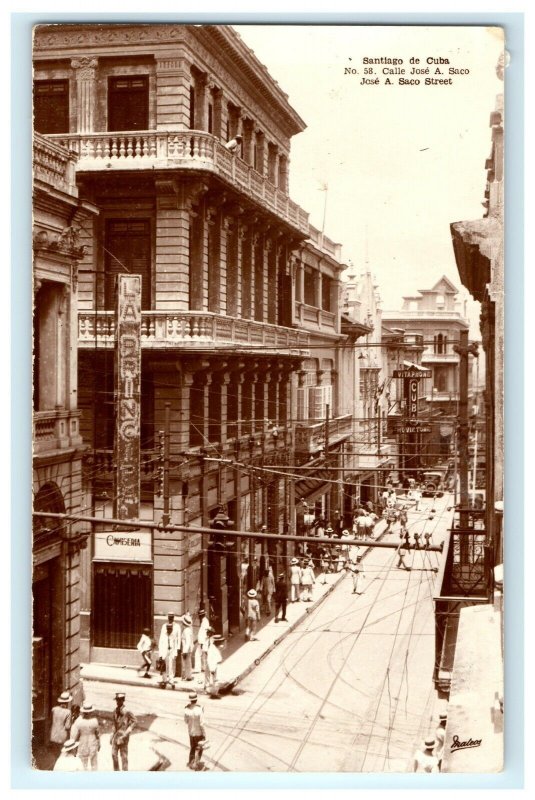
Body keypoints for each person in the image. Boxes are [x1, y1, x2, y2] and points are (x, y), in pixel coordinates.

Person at [70, 702, 100, 771]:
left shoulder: (79, 722)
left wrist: (73, 748)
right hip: (93, 742)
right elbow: (97, 734)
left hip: (83, 743)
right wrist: (99, 743)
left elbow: (74, 736)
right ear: (91, 712)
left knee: (83, 763)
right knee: (94, 763)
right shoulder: (95, 721)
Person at [111, 692, 136, 771]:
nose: (117, 702)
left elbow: (135, 721)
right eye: (117, 700)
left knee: (123, 756)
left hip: (124, 736)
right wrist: (112, 735)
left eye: (119, 700)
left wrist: (128, 731)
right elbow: (114, 724)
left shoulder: (127, 711)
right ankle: (116, 771)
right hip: (116, 735)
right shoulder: (115, 711)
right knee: (113, 754)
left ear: (123, 700)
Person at [184, 691, 206, 770]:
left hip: (191, 732)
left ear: (190, 700)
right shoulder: (200, 709)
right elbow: (202, 723)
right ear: (196, 700)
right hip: (199, 733)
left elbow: (186, 721)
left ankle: (191, 763)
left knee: (192, 747)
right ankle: (195, 764)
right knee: (199, 749)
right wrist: (204, 734)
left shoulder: (186, 709)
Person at [49, 690, 72, 760]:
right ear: (67, 702)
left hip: (53, 735)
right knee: (61, 755)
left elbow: (51, 721)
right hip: (62, 737)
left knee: (55, 755)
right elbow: (67, 726)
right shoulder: (68, 712)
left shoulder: (54, 709)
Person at [158, 612, 180, 683]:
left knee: (171, 664)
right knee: (164, 664)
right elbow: (161, 641)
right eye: (169, 617)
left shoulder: (177, 626)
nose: (170, 619)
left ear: (173, 618)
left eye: (171, 617)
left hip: (172, 650)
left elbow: (177, 639)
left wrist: (177, 650)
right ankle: (164, 678)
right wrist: (160, 653)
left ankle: (171, 678)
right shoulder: (164, 627)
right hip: (164, 650)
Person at [205, 631, 224, 699]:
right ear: (217, 642)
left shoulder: (217, 648)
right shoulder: (212, 649)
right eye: (220, 641)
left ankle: (214, 692)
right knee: (215, 680)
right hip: (214, 666)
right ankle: (214, 693)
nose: (222, 643)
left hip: (217, 665)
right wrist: (212, 669)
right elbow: (210, 660)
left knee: (217, 679)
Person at [195, 609, 210, 675]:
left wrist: (201, 642)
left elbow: (205, 633)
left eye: (200, 616)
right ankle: (202, 667)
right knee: (202, 655)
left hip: (202, 641)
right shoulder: (204, 621)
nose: (199, 617)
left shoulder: (205, 622)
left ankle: (199, 668)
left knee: (198, 654)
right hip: (202, 641)